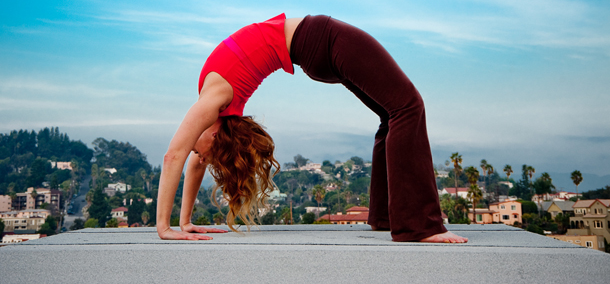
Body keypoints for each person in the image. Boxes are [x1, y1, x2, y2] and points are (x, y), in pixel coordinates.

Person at [156, 14, 467, 243]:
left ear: (213, 136)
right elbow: (176, 157)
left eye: (200, 151)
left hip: (313, 50)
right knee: (407, 107)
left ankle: (388, 218)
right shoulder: (215, 101)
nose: (199, 156)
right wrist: (168, 227)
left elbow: (187, 159)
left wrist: (182, 223)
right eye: (204, 155)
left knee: (393, 113)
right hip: (322, 39)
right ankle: (418, 226)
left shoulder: (211, 106)